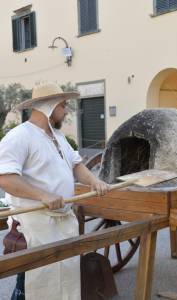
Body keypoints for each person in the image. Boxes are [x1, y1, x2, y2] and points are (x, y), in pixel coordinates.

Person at [0, 82, 109, 300]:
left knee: (66, 284)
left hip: (63, 224)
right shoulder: (19, 136)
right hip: (36, 227)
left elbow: (76, 165)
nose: (65, 110)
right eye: (62, 105)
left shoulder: (58, 138)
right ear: (48, 106)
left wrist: (94, 181)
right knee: (31, 285)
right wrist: (43, 195)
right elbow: (5, 178)